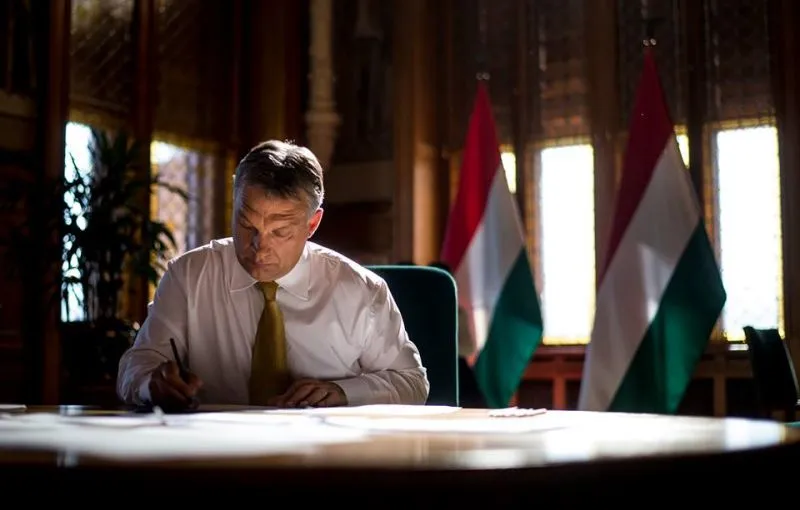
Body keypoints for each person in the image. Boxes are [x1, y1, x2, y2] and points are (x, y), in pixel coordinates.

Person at [117, 140, 429, 411]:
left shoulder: (360, 291)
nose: (259, 247)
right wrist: (152, 384)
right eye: (247, 225)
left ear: (312, 224)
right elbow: (137, 364)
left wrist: (343, 393)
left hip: (321, 454)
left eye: (280, 232)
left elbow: (412, 382)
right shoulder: (188, 277)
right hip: (214, 451)